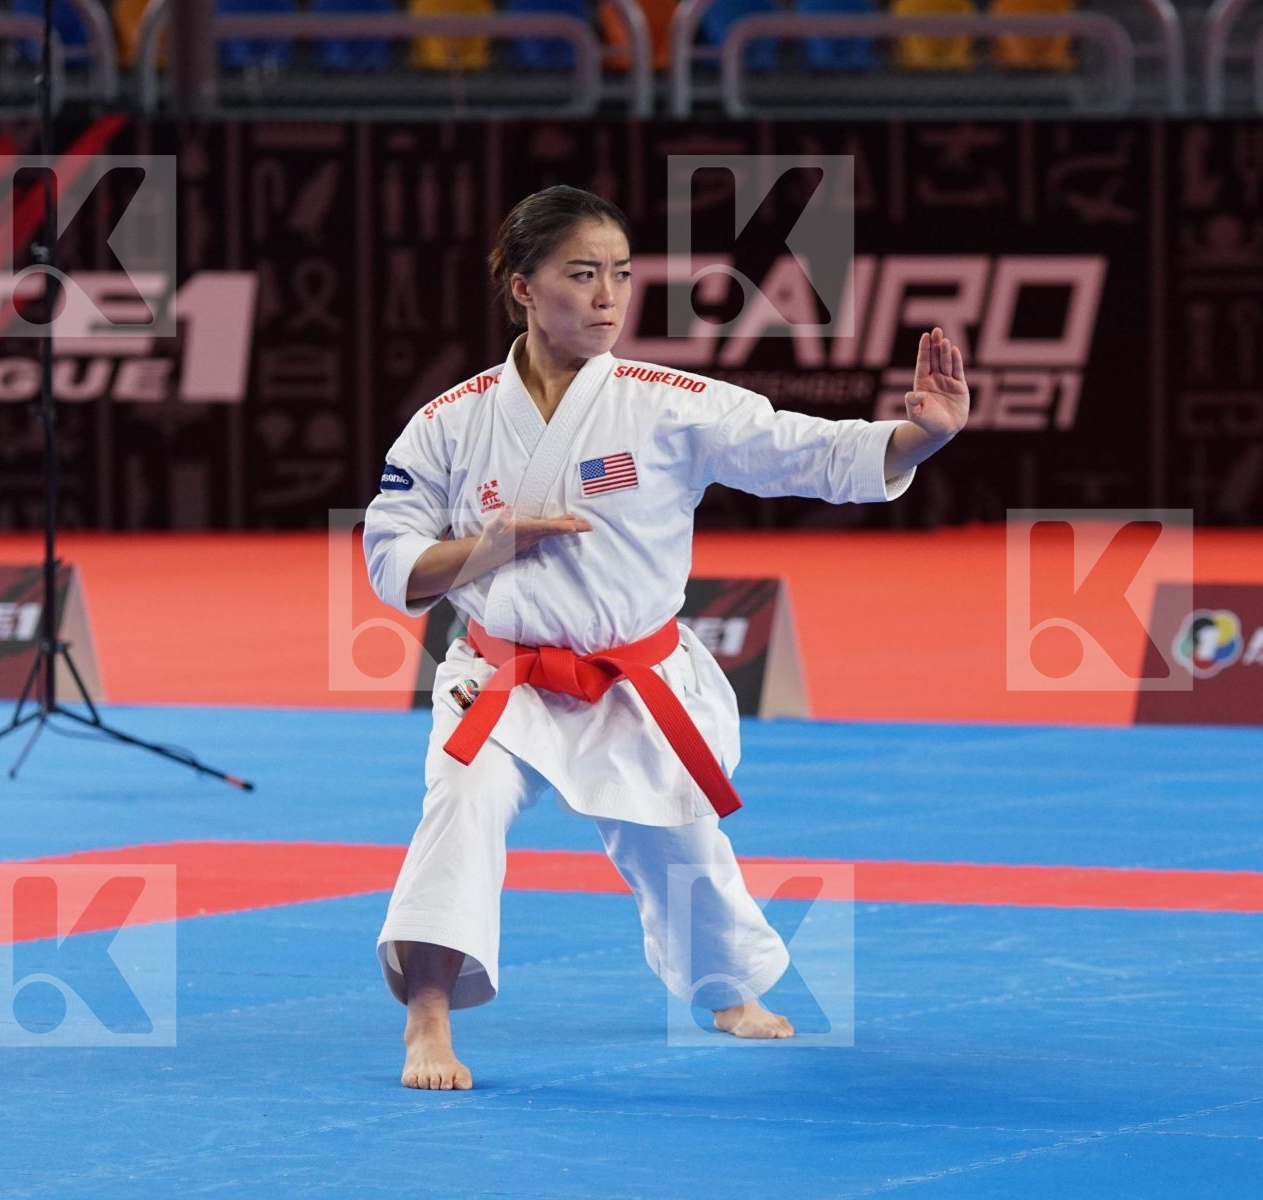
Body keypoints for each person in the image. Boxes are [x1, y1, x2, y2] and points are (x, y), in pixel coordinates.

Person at [363, 184, 969, 1090]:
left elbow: (795, 447)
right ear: (523, 289)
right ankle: (429, 1019)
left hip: (629, 675)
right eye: (582, 275)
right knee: (460, 804)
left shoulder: (666, 403)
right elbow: (389, 556)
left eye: (621, 274)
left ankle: (726, 990)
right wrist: (484, 548)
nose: (609, 296)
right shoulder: (450, 421)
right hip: (501, 675)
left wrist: (915, 440)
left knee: (678, 837)